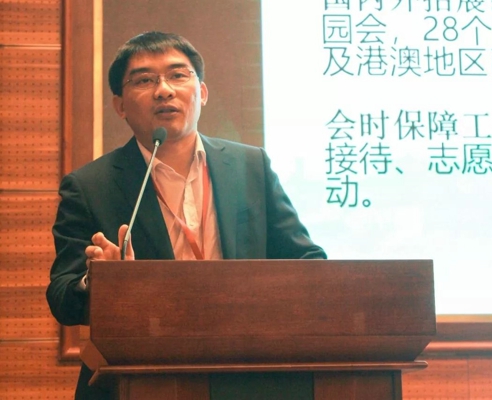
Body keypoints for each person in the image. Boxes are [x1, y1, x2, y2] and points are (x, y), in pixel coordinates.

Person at [46, 31, 327, 400]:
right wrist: (102, 281)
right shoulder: (89, 186)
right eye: (144, 80)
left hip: (250, 375)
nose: (164, 90)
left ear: (202, 92)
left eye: (178, 75)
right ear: (120, 105)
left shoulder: (250, 165)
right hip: (140, 379)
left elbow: (308, 263)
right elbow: (63, 297)